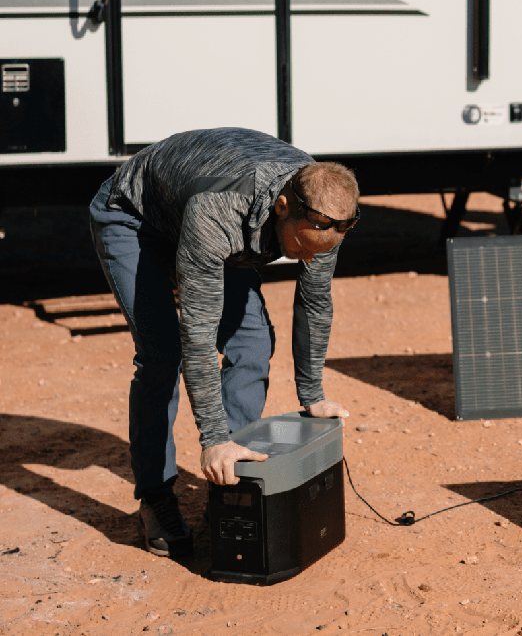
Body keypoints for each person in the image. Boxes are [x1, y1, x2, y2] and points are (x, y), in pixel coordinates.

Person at [87, 127, 359, 557]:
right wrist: (211, 435)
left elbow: (314, 301)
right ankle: (157, 498)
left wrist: (313, 394)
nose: (308, 258)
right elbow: (198, 329)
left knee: (251, 343)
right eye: (301, 247)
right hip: (136, 219)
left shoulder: (324, 209)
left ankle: (231, 482)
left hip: (215, 219)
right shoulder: (218, 211)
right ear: (282, 206)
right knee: (162, 354)